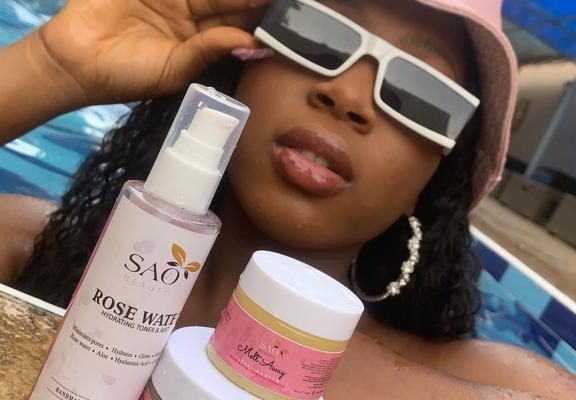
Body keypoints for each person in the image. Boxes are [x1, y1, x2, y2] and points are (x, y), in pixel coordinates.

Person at [0, 0, 575, 398]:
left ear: (434, 180)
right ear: (240, 67)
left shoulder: (499, 386)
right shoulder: (31, 248)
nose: (348, 95)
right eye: (318, 33)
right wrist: (51, 68)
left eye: (420, 93)